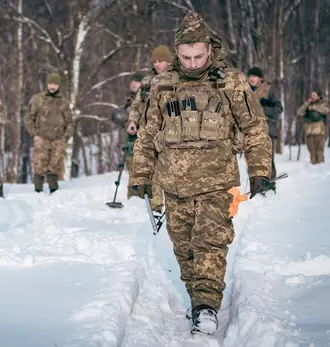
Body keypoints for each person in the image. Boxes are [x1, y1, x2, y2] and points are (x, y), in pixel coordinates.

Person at [132, 12, 272, 335]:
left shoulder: (230, 82)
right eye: (185, 57)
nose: (193, 63)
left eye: (199, 56)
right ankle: (198, 300)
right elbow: (147, 133)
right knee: (184, 249)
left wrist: (260, 169)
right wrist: (141, 173)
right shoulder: (163, 85)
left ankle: (206, 306)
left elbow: (254, 128)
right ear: (177, 53)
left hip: (216, 181)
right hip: (174, 184)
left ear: (209, 50)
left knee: (210, 243)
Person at [126, 45, 173, 214]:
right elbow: (137, 105)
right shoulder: (147, 82)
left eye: (160, 61)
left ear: (169, 61)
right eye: (154, 62)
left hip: (172, 132)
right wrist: (132, 121)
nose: (157, 65)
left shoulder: (176, 78)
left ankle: (175, 208)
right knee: (151, 169)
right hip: (149, 131)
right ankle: (156, 208)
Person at [24, 72, 72, 193]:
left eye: (55, 84)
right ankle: (38, 191)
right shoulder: (38, 100)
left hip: (58, 139)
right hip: (41, 138)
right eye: (51, 83)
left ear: (59, 86)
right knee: (39, 165)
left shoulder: (63, 102)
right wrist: (34, 134)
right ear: (47, 84)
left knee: (55, 166)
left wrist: (65, 137)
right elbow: (29, 117)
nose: (52, 86)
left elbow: (70, 122)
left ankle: (54, 192)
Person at [247, 67, 283, 193]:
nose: (252, 78)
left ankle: (270, 185)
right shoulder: (245, 90)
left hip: (268, 129)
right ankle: (256, 186)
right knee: (252, 159)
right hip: (250, 130)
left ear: (260, 78)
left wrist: (264, 109)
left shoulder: (269, 90)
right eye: (250, 76)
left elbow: (279, 108)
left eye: (255, 76)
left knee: (267, 158)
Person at [297, 89, 329, 164]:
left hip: (319, 130)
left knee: (319, 150)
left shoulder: (322, 103)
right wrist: (307, 103)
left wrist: (314, 107)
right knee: (311, 150)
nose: (313, 97)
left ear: (318, 96)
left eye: (314, 95)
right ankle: (313, 165)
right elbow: (300, 112)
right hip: (309, 130)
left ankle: (320, 167)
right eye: (312, 95)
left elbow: (326, 110)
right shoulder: (308, 104)